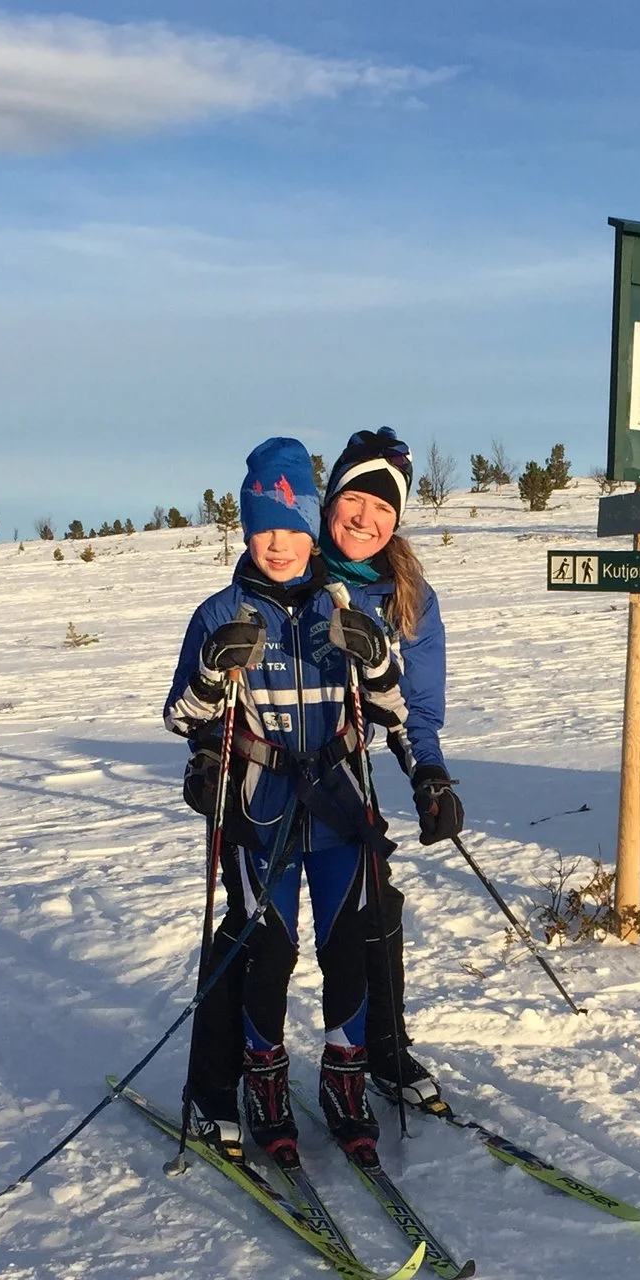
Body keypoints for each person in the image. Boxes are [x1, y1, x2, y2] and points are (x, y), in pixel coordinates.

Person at [165, 435, 405, 1173]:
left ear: (312, 527)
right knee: (268, 950)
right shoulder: (220, 612)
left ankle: (344, 1079)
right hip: (259, 809)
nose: (278, 544)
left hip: (339, 807)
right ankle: (263, 1083)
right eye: (264, 528)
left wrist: (376, 659)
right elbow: (181, 716)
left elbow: (393, 710)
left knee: (347, 945)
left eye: (293, 528)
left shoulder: (345, 605)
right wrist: (212, 675)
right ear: (245, 529)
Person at [314, 427, 465, 1114]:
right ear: (331, 500)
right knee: (263, 929)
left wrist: (429, 775)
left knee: (374, 908)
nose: (365, 518)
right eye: (355, 499)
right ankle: (236, 1070)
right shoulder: (290, 565)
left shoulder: (410, 596)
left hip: (347, 776)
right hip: (272, 776)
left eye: (383, 507)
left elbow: (416, 710)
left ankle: (381, 1049)